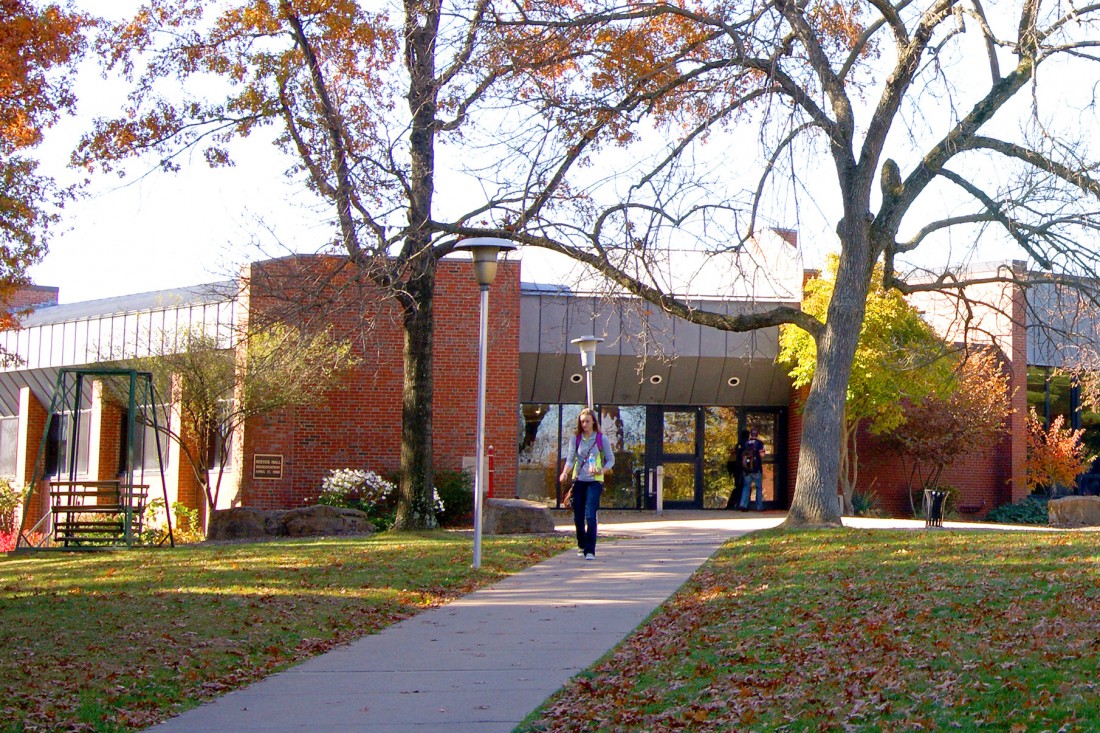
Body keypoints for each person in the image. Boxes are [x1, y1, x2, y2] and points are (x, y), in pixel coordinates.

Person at [559, 407, 615, 560]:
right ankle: (581, 543)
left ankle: (590, 550)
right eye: (582, 421)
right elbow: (570, 459)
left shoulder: (601, 439)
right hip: (579, 481)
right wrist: (565, 472)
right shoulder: (575, 439)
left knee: (590, 515)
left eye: (587, 421)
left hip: (594, 481)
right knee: (578, 516)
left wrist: (602, 470)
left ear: (593, 422)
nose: (584, 424)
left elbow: (611, 459)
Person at [738, 428, 766, 511]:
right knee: (758, 488)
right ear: (757, 434)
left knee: (746, 486)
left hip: (746, 470)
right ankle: (759, 507)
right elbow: (762, 455)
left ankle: (743, 505)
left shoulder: (746, 443)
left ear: (750, 434)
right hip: (756, 469)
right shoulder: (760, 443)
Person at [724, 429, 749, 509]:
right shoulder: (746, 445)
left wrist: (731, 471)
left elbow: (732, 459)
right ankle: (741, 505)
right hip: (742, 470)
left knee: (738, 487)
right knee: (743, 487)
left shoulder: (738, 446)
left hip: (736, 470)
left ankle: (732, 504)